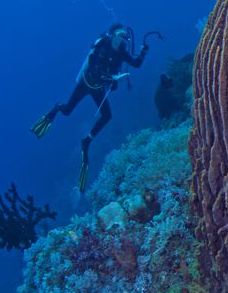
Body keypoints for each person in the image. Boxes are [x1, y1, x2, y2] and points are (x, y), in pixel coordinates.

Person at [30, 23, 149, 191]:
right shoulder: (101, 44)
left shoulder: (122, 51)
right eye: (120, 36)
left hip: (98, 88)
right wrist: (112, 79)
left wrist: (143, 52)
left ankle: (87, 139)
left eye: (125, 38)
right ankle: (56, 108)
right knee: (67, 111)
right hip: (85, 84)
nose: (123, 40)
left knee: (107, 115)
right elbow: (94, 69)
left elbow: (136, 64)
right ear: (112, 35)